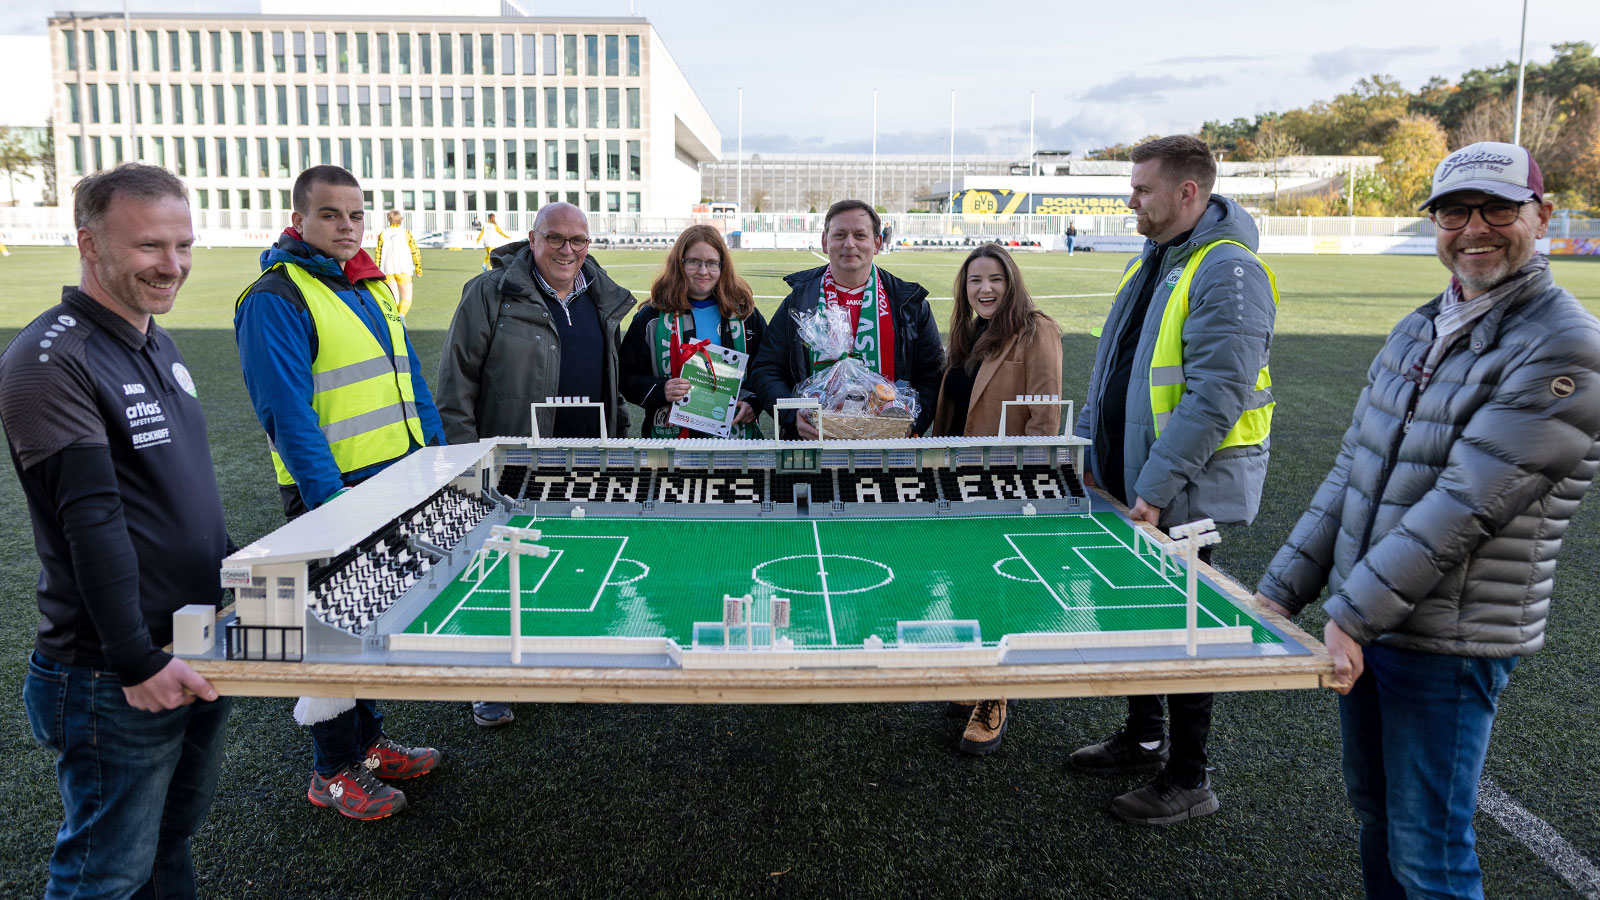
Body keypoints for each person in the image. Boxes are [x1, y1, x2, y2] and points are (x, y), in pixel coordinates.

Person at [1256, 142, 1600, 899]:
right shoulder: (1421, 325)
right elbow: (1354, 469)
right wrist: (1281, 590)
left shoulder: (1564, 341)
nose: (1474, 227)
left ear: (1541, 217)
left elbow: (1469, 501)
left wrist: (1347, 612)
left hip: (1448, 637)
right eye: (1453, 210)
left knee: (1430, 855)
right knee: (1378, 817)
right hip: (1375, 622)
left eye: (1497, 208)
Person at [1, 163, 231, 898]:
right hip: (112, 671)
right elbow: (89, 520)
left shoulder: (153, 339)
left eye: (183, 244)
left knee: (168, 847)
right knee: (102, 877)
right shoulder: (51, 358)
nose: (172, 266)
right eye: (149, 247)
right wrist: (135, 660)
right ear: (89, 244)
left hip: (192, 643)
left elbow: (177, 497)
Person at [1067, 135, 1278, 825]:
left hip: (1179, 491)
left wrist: (1153, 491)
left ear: (1188, 193)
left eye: (1141, 189)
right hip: (1136, 480)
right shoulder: (1159, 259)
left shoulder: (1225, 269)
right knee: (1140, 614)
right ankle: (1144, 734)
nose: (1131, 200)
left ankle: (1190, 776)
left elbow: (1217, 393)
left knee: (1184, 626)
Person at [235, 165, 446, 820]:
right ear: (299, 220)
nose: (346, 227)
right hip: (336, 496)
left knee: (370, 625)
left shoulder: (369, 286)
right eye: (330, 215)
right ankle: (332, 770)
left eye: (355, 215)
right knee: (331, 630)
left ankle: (370, 743)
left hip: (396, 479)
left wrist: (437, 459)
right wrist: (333, 506)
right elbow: (287, 413)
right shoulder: (276, 296)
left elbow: (410, 381)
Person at [436, 200, 636, 726]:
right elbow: (456, 384)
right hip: (512, 459)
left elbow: (606, 373)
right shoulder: (491, 292)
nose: (567, 250)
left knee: (568, 562)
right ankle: (491, 682)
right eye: (555, 239)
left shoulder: (600, 296)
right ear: (533, 239)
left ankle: (560, 662)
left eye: (578, 240)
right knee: (500, 570)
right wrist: (466, 460)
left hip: (586, 455)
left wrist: (617, 433)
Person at [930, 242, 1063, 755]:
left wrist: (1022, 484)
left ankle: (996, 694)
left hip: (1002, 483)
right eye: (974, 281)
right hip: (957, 479)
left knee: (998, 588)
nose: (984, 289)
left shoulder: (1036, 330)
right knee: (966, 579)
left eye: (995, 280)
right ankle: (974, 676)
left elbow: (1044, 418)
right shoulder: (968, 334)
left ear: (1012, 283)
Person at [749, 199, 943, 439]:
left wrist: (913, 424)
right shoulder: (798, 303)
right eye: (839, 234)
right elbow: (766, 368)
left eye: (860, 235)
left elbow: (932, 374)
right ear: (824, 241)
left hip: (888, 444)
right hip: (815, 443)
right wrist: (792, 414)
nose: (849, 244)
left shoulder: (909, 304)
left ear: (877, 243)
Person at [620, 225, 767, 438]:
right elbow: (625, 377)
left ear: (722, 266)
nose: (703, 271)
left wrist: (754, 402)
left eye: (711, 263)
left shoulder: (745, 316)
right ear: (679, 264)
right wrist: (661, 390)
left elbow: (767, 370)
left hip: (733, 439)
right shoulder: (652, 317)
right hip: (670, 440)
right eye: (694, 262)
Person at [375, 209, 423, 317]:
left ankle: (395, 321)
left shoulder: (383, 234)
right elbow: (415, 251)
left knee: (394, 300)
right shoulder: (405, 233)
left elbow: (378, 253)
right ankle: (401, 317)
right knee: (407, 298)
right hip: (404, 269)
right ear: (401, 219)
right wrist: (418, 268)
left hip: (387, 270)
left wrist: (377, 271)